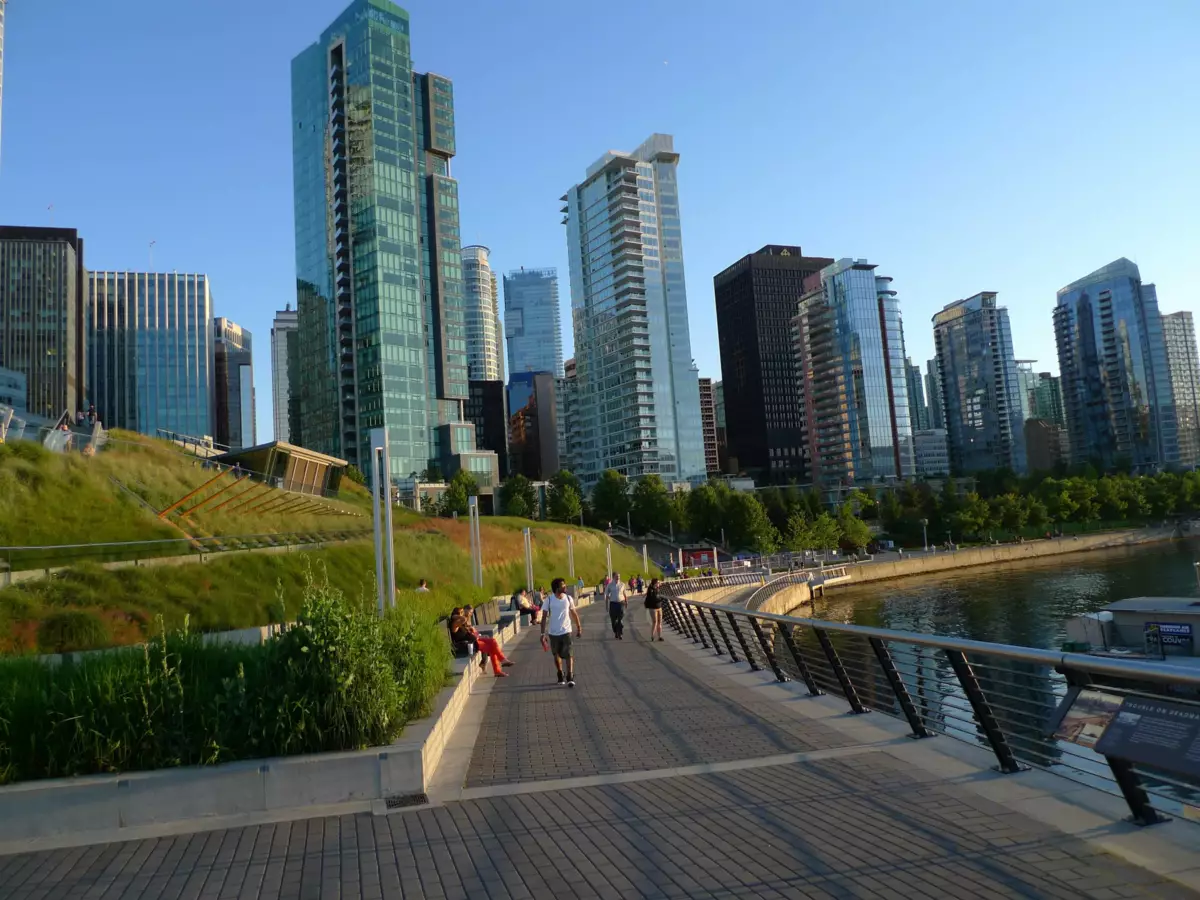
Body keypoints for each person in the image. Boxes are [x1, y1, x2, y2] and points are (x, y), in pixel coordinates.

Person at [540, 577, 582, 686]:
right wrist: (542, 634)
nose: (565, 586)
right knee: (556, 655)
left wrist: (579, 627)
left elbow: (573, 613)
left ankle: (570, 676)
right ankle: (560, 673)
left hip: (566, 631)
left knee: (569, 654)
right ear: (557, 588)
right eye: (563, 585)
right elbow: (543, 617)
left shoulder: (568, 598)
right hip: (553, 633)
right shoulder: (548, 600)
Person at [450, 611, 513, 677]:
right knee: (492, 648)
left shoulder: (461, 626)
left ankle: (501, 662)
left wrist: (470, 628)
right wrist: (456, 616)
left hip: (475, 641)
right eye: (461, 612)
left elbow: (467, 625)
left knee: (493, 641)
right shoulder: (454, 626)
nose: (462, 614)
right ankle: (499, 666)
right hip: (471, 645)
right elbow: (463, 619)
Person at [606, 572, 628, 639]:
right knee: (613, 620)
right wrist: (606, 605)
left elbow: (625, 594)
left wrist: (626, 602)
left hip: (621, 603)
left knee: (620, 619)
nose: (618, 577)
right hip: (613, 604)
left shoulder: (622, 584)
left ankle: (620, 633)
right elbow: (607, 595)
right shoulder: (610, 585)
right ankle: (615, 631)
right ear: (613, 577)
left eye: (619, 576)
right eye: (616, 576)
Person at [644, 578, 663, 642]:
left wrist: (658, 588)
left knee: (660, 622)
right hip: (653, 608)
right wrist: (655, 589)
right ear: (655, 583)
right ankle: (652, 636)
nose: (659, 583)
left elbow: (659, 596)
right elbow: (652, 598)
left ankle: (660, 636)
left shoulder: (658, 589)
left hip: (659, 607)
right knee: (655, 622)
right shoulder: (651, 589)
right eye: (658, 582)